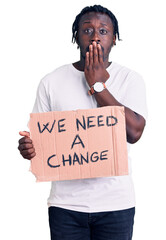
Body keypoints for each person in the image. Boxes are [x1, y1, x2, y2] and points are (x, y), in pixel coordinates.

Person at [18, 4, 147, 240]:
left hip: (116, 205)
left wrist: (97, 84)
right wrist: (29, 149)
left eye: (104, 31)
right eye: (87, 30)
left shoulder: (130, 79)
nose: (96, 36)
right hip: (66, 207)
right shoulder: (51, 81)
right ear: (76, 36)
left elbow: (135, 132)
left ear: (115, 39)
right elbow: (41, 142)